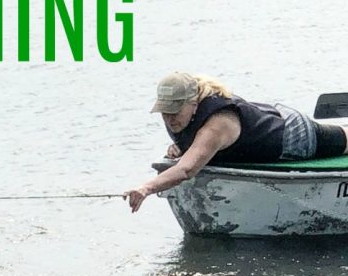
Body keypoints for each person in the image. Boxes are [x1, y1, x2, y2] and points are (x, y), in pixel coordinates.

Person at [124, 72, 348, 212]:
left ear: (193, 103)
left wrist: (146, 188)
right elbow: (195, 145)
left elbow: (186, 170)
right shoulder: (184, 114)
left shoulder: (218, 123)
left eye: (175, 111)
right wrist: (181, 147)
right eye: (165, 112)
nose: (169, 118)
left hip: (292, 137)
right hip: (264, 119)